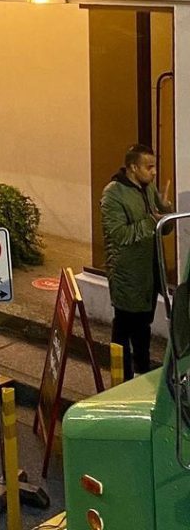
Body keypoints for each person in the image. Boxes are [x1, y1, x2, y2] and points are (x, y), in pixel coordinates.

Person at [101, 143, 173, 379]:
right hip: (127, 273)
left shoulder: (147, 188)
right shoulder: (113, 193)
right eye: (148, 167)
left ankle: (142, 369)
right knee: (125, 325)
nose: (153, 172)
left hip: (148, 271)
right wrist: (153, 221)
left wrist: (165, 209)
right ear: (133, 167)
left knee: (143, 325)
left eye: (154, 166)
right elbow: (119, 235)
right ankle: (121, 375)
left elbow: (162, 229)